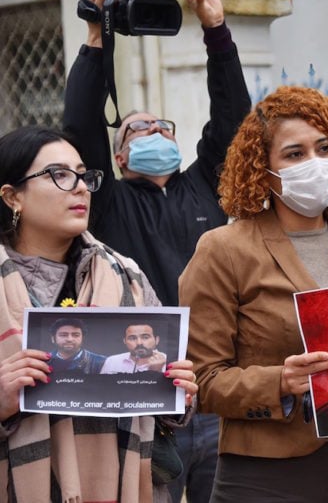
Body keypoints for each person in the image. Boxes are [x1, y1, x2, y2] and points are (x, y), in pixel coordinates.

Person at [62, 0, 251, 500]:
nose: (151, 130)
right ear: (120, 155)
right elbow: (80, 128)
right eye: (135, 128)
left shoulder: (205, 186)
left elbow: (234, 119)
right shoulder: (110, 203)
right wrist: (96, 36)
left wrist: (216, 29)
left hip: (210, 391)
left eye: (161, 125)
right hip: (141, 396)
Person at [178, 86, 328, 502]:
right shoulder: (224, 249)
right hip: (263, 476)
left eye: (325, 148)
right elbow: (202, 381)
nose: (315, 163)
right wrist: (281, 381)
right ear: (263, 168)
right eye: (295, 154)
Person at [0, 126, 197, 502]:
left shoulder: (126, 274)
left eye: (83, 175)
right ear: (12, 197)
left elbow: (168, 403)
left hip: (127, 485)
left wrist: (178, 394)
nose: (79, 188)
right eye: (58, 175)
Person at [101, 323, 167, 374]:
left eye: (145, 337)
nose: (139, 343)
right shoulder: (112, 361)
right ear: (125, 341)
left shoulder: (169, 361)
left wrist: (157, 372)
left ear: (157, 340)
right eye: (132, 338)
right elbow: (101, 388)